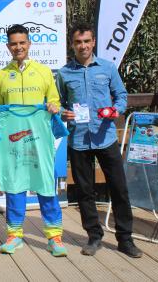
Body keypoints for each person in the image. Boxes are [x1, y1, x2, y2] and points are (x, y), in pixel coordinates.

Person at [56, 22, 142, 258]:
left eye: (86, 41)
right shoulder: (64, 74)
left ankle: (125, 239)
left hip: (106, 138)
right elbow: (60, 103)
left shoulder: (108, 67)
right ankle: (94, 237)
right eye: (78, 42)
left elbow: (121, 96)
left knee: (119, 189)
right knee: (85, 191)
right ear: (72, 44)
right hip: (79, 140)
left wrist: (116, 110)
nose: (82, 46)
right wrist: (63, 113)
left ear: (93, 42)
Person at [0, 24, 67, 257]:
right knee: (14, 184)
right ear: (7, 46)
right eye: (13, 43)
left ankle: (55, 237)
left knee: (45, 184)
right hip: (13, 141)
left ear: (29, 44)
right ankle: (14, 235)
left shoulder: (44, 71)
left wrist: (54, 107)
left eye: (22, 42)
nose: (18, 47)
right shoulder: (2, 75)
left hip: (38, 138)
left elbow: (55, 101)